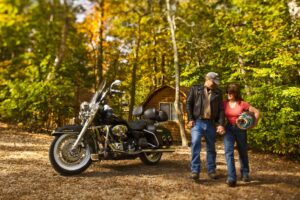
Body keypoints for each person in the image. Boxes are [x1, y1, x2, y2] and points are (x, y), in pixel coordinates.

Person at [186, 72, 225, 180]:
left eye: (216, 83)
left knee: (211, 147)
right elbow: (188, 103)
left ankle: (212, 171)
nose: (215, 84)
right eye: (213, 82)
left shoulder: (218, 92)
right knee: (195, 144)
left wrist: (221, 124)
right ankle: (195, 171)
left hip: (211, 123)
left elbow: (221, 109)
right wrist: (190, 119)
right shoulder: (195, 89)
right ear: (207, 79)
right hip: (197, 122)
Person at [220, 83, 260, 187]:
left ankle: (245, 174)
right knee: (228, 153)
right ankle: (231, 177)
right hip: (228, 129)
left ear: (236, 93)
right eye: (228, 92)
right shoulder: (224, 104)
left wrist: (253, 125)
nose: (229, 94)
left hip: (240, 129)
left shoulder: (243, 104)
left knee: (242, 151)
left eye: (231, 92)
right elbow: (218, 115)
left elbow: (257, 112)